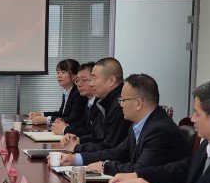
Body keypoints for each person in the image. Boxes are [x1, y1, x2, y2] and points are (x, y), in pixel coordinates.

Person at [60, 73, 190, 175]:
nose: (120, 104)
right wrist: (75, 159)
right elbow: (116, 153)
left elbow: (139, 170)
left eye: (123, 100)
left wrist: (105, 166)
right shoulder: (138, 125)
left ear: (138, 103)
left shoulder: (160, 130)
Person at [60, 57, 130, 153]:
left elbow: (109, 147)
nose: (91, 84)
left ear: (111, 80)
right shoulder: (105, 101)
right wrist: (78, 140)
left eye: (94, 78)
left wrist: (77, 148)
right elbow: (98, 135)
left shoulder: (120, 105)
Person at [28, 59, 87, 127]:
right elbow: (61, 113)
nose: (59, 75)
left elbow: (73, 119)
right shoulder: (67, 92)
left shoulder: (78, 93)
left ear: (75, 76)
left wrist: (47, 120)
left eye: (63, 72)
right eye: (58, 72)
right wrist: (40, 114)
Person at [51, 62, 96, 136]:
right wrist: (65, 126)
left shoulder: (100, 103)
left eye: (83, 80)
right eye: (77, 80)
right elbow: (83, 123)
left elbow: (94, 133)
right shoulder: (90, 101)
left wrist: (65, 129)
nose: (79, 84)